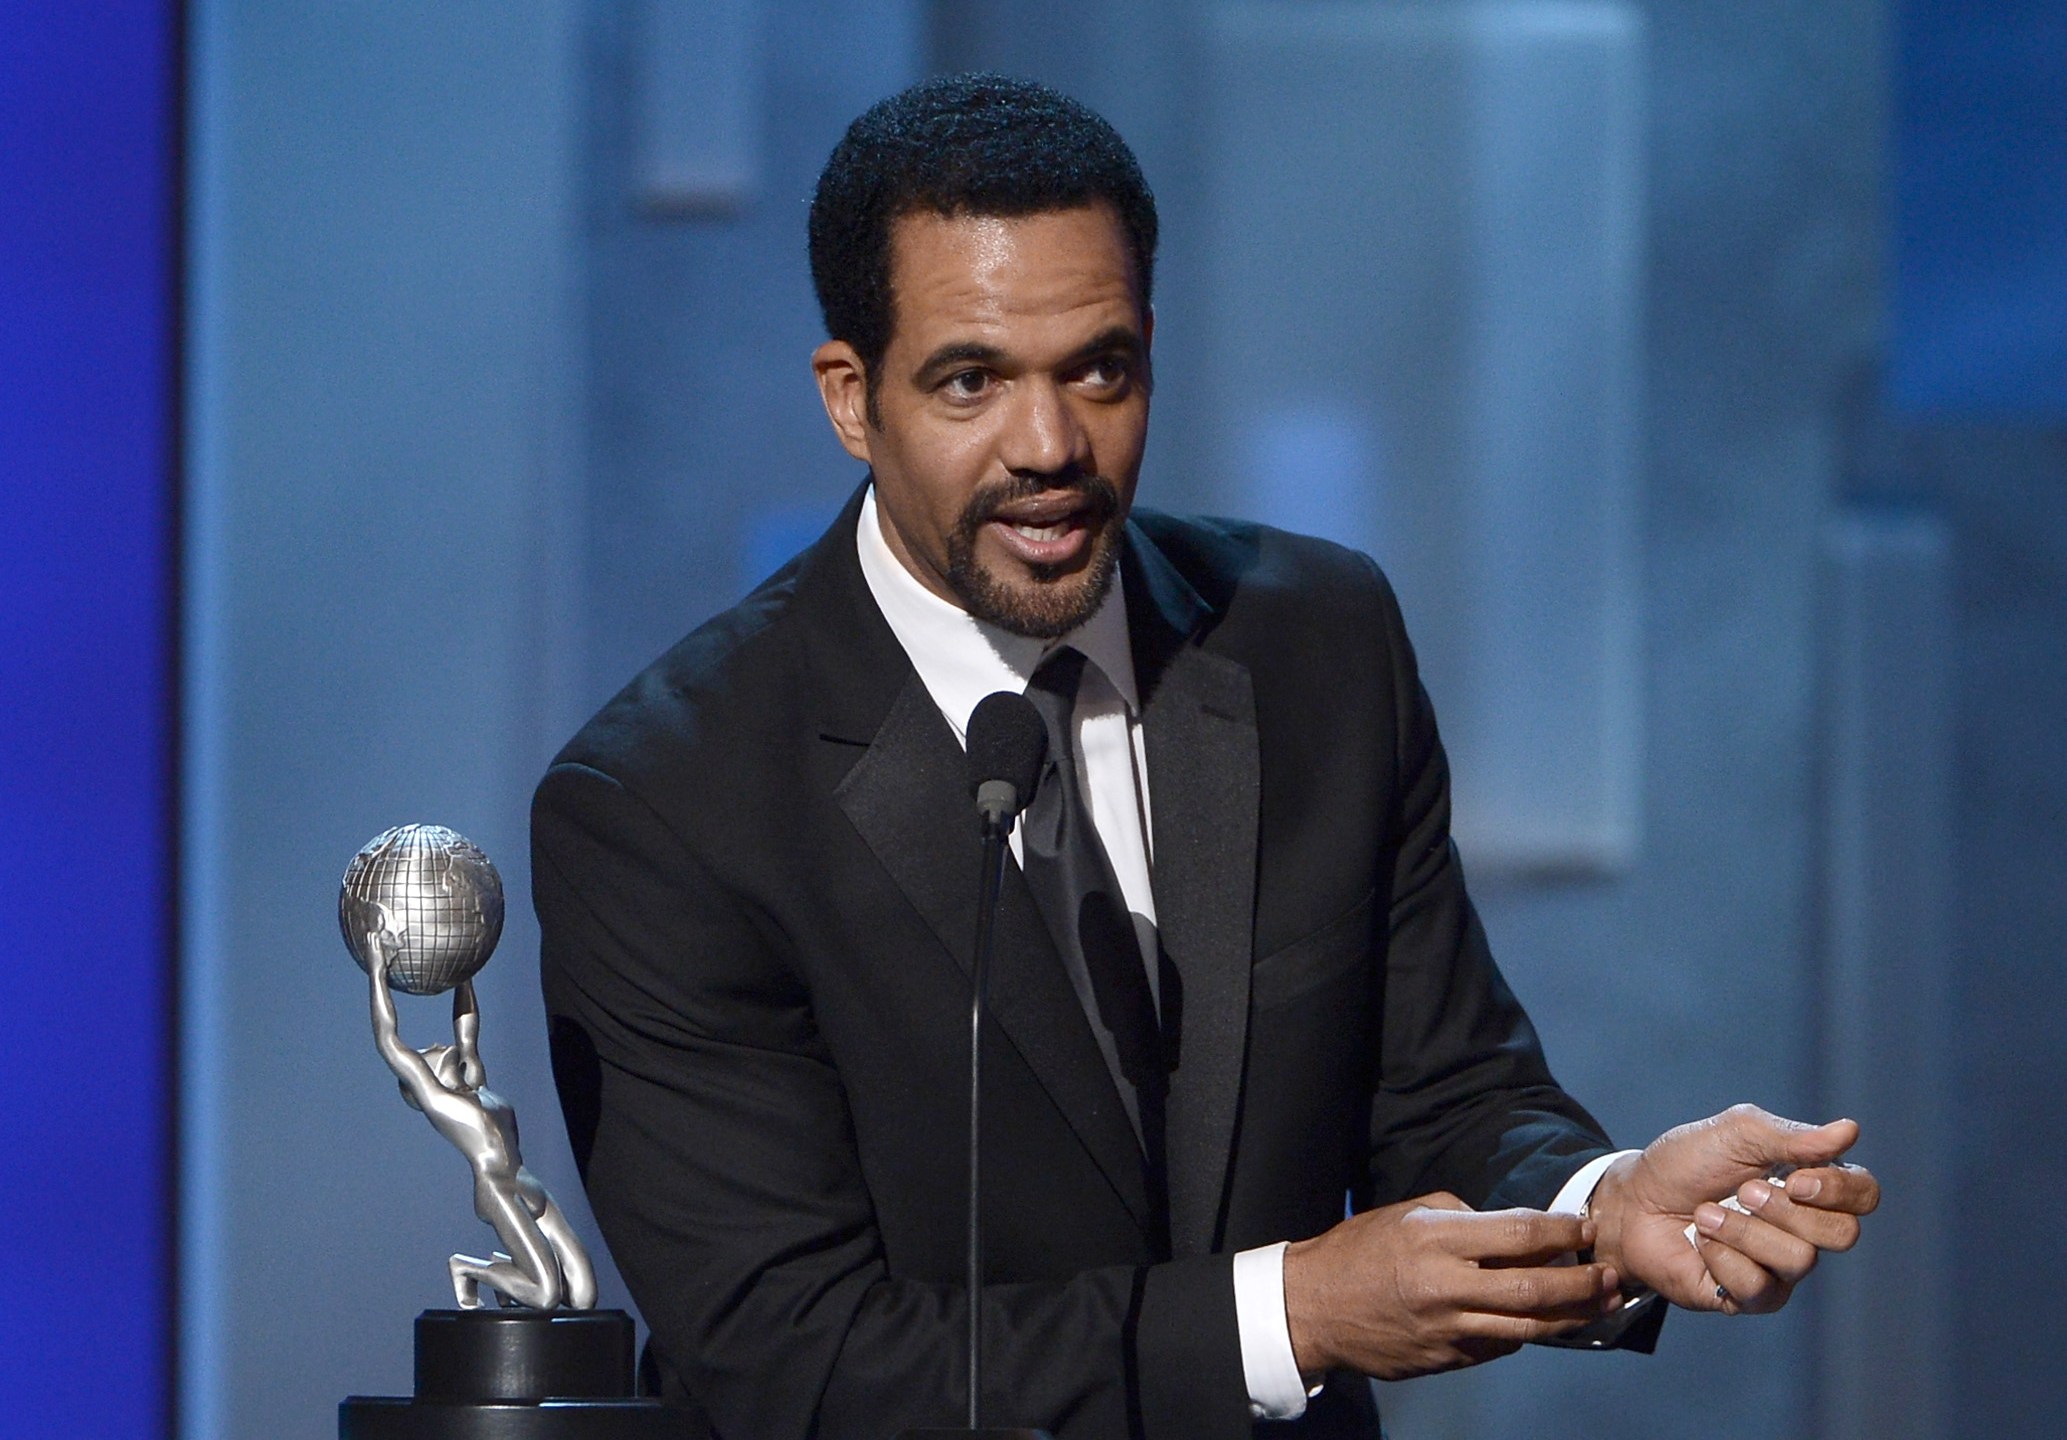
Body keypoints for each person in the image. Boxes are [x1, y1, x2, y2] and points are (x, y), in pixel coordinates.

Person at [532, 74, 1878, 1439]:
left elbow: (1446, 1089)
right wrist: (1286, 1315)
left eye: (1096, 370)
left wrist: (1601, 1205)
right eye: (969, 382)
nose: (1048, 446)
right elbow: (795, 1361)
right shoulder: (665, 803)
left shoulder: (1315, 646)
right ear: (848, 397)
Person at [367, 956, 598, 1312]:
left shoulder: (476, 1084)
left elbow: (467, 1029)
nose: (433, 1043)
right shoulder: (438, 1101)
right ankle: (468, 1269)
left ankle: (511, 1270)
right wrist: (378, 968)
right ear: (421, 1078)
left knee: (582, 1297)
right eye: (426, 1053)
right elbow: (388, 1041)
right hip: (497, 1190)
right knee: (546, 1295)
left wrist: (466, 971)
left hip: (528, 1183)